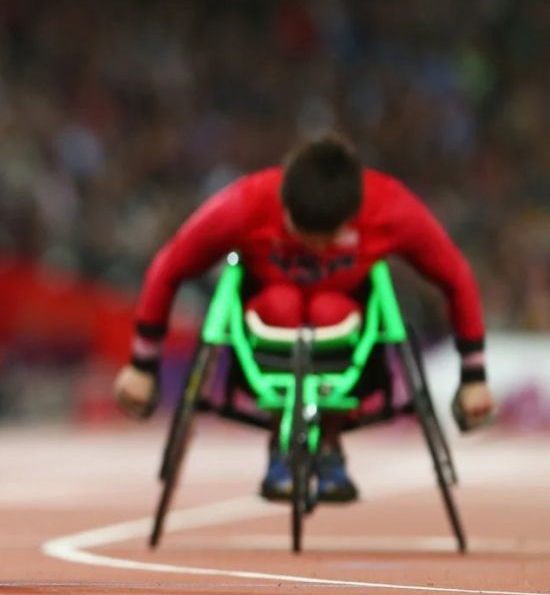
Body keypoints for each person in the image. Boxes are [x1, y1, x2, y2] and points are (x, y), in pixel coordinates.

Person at [114, 134, 494, 503]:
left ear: (353, 215)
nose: (315, 250)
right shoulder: (247, 202)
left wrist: (474, 377)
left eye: (327, 238)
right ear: (284, 204)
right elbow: (170, 267)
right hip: (265, 335)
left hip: (350, 342)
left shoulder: (389, 207)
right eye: (304, 235)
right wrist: (142, 366)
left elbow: (455, 276)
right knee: (283, 301)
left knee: (329, 308)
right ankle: (282, 439)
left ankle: (329, 444)